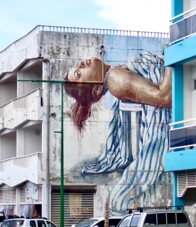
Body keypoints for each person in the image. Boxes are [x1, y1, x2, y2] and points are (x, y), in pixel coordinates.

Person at [64, 52, 172, 212]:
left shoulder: (116, 74)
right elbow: (165, 97)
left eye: (77, 67)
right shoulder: (115, 78)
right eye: (79, 74)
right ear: (96, 88)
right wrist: (172, 56)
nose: (81, 64)